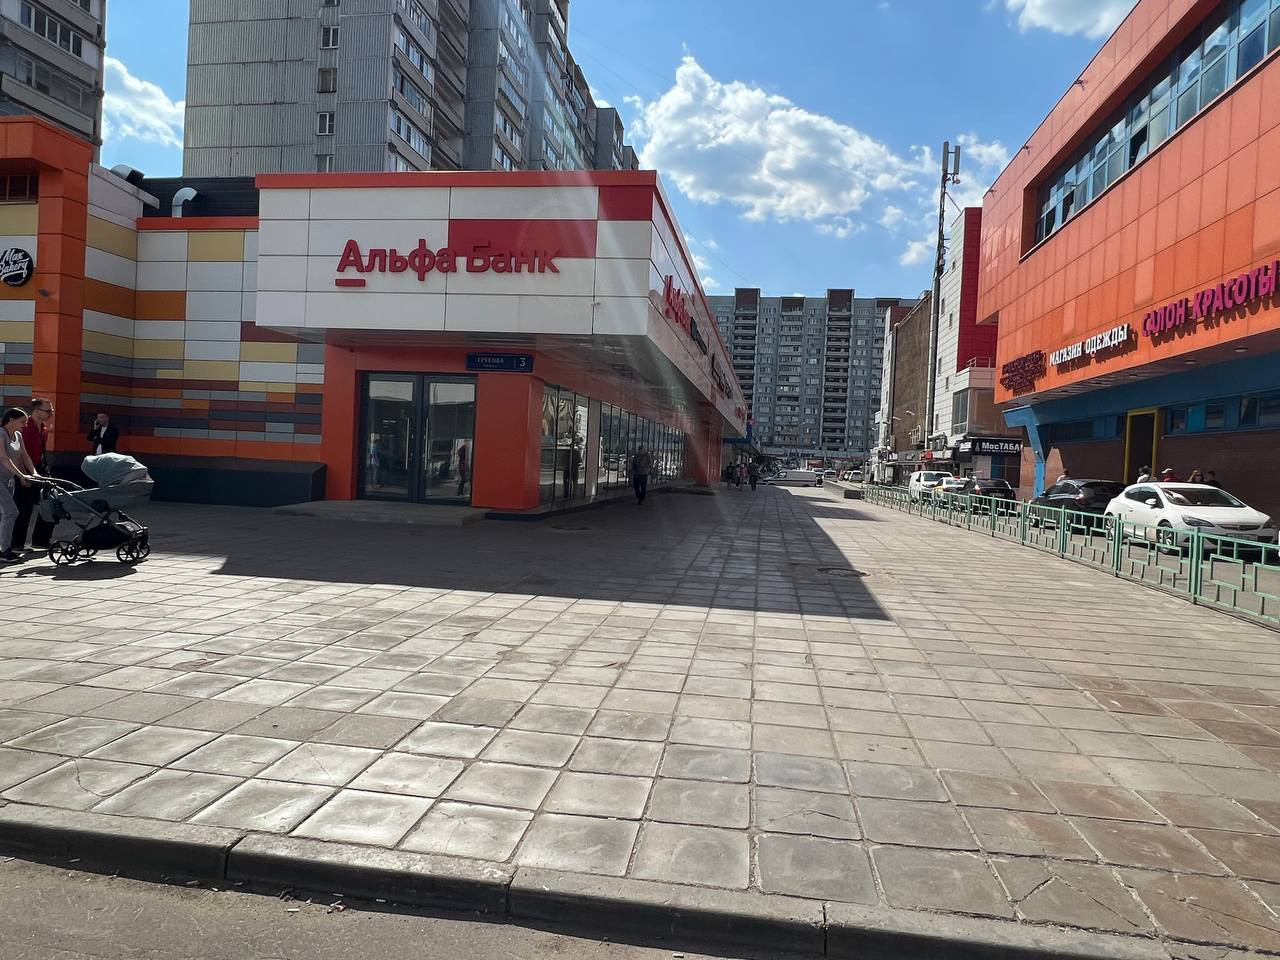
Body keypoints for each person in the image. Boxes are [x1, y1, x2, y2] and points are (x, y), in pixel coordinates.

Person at [11, 397, 53, 553]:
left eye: (52, 410)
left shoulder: (43, 428)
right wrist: (23, 475)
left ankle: (40, 540)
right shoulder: (25, 427)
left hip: (39, 469)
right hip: (24, 471)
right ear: (36, 411)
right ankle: (16, 545)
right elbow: (20, 454)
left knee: (51, 501)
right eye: (48, 410)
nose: (51, 413)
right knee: (24, 508)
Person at [0, 409, 40, 563]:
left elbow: (25, 456)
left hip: (8, 479)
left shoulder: (18, 435)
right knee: (11, 512)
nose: (25, 425)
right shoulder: (1, 433)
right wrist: (21, 475)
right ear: (11, 420)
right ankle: (4, 550)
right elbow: (3, 458)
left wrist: (34, 473)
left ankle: (4, 547)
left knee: (4, 514)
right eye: (22, 421)